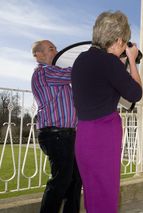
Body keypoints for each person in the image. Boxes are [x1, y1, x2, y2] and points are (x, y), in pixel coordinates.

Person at [71, 11, 142, 213]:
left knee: (94, 194)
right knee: (106, 195)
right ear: (119, 39)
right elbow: (136, 93)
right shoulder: (109, 62)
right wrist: (133, 60)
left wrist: (118, 65)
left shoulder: (81, 60)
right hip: (103, 135)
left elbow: (99, 87)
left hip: (84, 134)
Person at [31, 40, 82, 213]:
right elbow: (75, 73)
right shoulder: (45, 72)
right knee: (61, 180)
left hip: (66, 135)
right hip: (56, 135)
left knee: (74, 180)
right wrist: (89, 60)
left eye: (55, 48)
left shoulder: (55, 75)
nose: (56, 51)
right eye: (51, 49)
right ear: (39, 55)